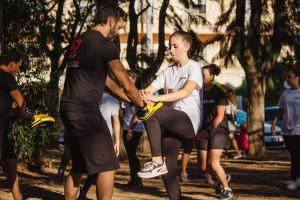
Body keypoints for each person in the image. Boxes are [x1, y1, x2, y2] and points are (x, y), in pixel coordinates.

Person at [59, 4, 145, 200]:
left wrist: (128, 100)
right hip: (85, 111)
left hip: (68, 108)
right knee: (108, 167)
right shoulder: (105, 45)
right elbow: (126, 82)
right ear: (111, 21)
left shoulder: (79, 40)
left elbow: (105, 81)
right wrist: (143, 105)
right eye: (120, 26)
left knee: (79, 167)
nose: (119, 31)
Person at [138, 30, 204, 200]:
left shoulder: (194, 67)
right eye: (169, 47)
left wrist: (154, 99)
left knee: (151, 112)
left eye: (175, 46)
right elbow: (148, 91)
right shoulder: (168, 71)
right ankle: (162, 168)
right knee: (168, 172)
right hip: (171, 122)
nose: (171, 50)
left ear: (187, 47)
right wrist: (139, 94)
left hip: (188, 121)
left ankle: (156, 160)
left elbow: (186, 92)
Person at [195, 64, 233, 200]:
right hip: (202, 131)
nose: (200, 77)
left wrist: (207, 131)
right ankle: (223, 176)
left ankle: (227, 189)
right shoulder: (197, 92)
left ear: (211, 77)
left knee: (214, 163)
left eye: (203, 74)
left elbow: (220, 116)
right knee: (203, 165)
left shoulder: (219, 93)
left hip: (218, 131)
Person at [78, 93, 121, 200]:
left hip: (89, 134)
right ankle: (84, 193)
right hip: (104, 137)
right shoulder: (113, 101)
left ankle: (83, 193)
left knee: (95, 167)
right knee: (109, 168)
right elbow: (116, 121)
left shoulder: (91, 97)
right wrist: (117, 142)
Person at [271, 68, 300, 191]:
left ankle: (293, 180)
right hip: (287, 129)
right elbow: (281, 110)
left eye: (289, 76)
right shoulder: (285, 94)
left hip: (298, 129)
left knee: (296, 155)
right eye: (286, 77)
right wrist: (274, 122)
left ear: (297, 78)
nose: (287, 79)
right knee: (294, 154)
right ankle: (297, 178)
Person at [122, 69, 144, 189]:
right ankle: (133, 179)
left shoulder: (137, 93)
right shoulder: (128, 92)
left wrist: (131, 129)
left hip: (135, 129)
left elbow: (138, 113)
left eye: (128, 77)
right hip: (126, 127)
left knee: (133, 155)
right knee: (130, 155)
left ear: (134, 79)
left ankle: (138, 180)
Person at [224, 89, 240, 159]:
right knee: (228, 138)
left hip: (227, 121)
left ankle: (238, 152)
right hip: (232, 122)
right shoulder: (234, 103)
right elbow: (235, 113)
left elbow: (224, 112)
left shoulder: (226, 102)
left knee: (231, 138)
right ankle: (225, 154)